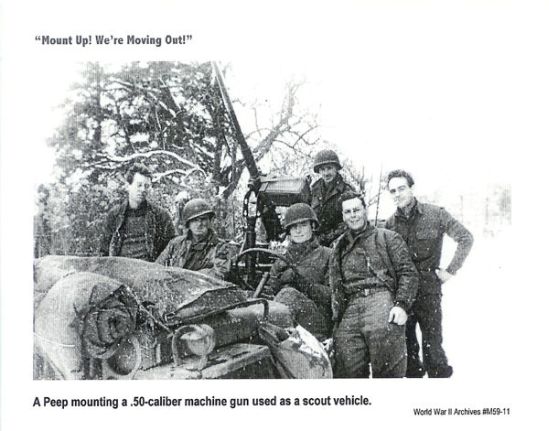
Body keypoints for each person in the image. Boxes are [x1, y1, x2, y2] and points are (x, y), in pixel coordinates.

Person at [385, 170, 474, 378]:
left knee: (433, 349)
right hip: (402, 294)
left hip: (428, 291)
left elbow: (465, 238)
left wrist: (450, 270)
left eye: (401, 188)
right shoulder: (389, 225)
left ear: (411, 189)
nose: (397, 194)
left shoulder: (436, 214)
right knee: (407, 353)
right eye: (392, 191)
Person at [331, 191, 418, 378]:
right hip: (351, 306)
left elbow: (408, 273)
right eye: (348, 212)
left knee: (387, 368)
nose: (353, 215)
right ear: (343, 216)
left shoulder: (387, 238)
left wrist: (401, 305)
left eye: (356, 210)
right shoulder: (339, 246)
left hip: (380, 299)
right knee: (345, 366)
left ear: (365, 211)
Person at [268, 203, 332, 339]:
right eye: (293, 227)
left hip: (316, 321)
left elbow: (333, 296)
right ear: (288, 231)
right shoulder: (282, 259)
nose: (298, 231)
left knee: (289, 294)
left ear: (312, 226)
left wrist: (303, 283)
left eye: (303, 225)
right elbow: (269, 293)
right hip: (285, 318)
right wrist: (276, 281)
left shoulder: (327, 255)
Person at [99, 163, 175, 261]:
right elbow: (103, 251)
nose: (143, 189)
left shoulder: (160, 216)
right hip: (120, 270)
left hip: (150, 271)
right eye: (139, 185)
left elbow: (172, 248)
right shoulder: (115, 215)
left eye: (146, 186)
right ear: (128, 186)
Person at [156, 198, 233, 280]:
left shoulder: (221, 247)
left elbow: (219, 274)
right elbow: (157, 268)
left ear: (209, 221)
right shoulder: (176, 244)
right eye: (194, 220)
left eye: (203, 219)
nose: (199, 224)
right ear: (188, 224)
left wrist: (184, 278)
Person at [309, 149, 355, 247]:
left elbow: (350, 221)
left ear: (336, 168)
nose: (326, 173)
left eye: (329, 168)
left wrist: (328, 238)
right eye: (322, 169)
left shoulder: (346, 191)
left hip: (339, 241)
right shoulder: (313, 190)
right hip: (316, 242)